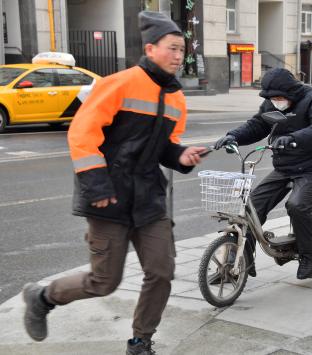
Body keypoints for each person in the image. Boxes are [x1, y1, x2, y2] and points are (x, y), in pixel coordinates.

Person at [22, 11, 208, 355]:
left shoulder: (177, 99)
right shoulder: (119, 83)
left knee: (162, 272)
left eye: (182, 50)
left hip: (150, 200)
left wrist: (180, 155)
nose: (179, 56)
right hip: (109, 198)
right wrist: (97, 187)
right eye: (172, 48)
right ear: (150, 48)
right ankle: (43, 297)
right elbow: (82, 134)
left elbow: (164, 147)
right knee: (103, 282)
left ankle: (141, 341)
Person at [214, 68, 312, 280]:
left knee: (297, 205)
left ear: (291, 91)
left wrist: (293, 137)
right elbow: (258, 124)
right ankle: (243, 261)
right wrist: (233, 136)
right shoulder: (272, 102)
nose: (275, 101)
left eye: (279, 97)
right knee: (251, 207)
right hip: (285, 167)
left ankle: (309, 254)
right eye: (271, 98)